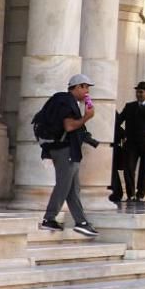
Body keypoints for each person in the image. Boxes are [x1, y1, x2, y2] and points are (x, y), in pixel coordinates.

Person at [38, 74, 100, 236]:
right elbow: (69, 126)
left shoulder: (66, 101)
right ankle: (49, 218)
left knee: (73, 188)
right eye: (86, 87)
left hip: (66, 149)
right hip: (64, 149)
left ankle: (81, 222)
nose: (87, 92)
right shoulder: (66, 101)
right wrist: (87, 117)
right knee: (64, 185)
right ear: (78, 86)